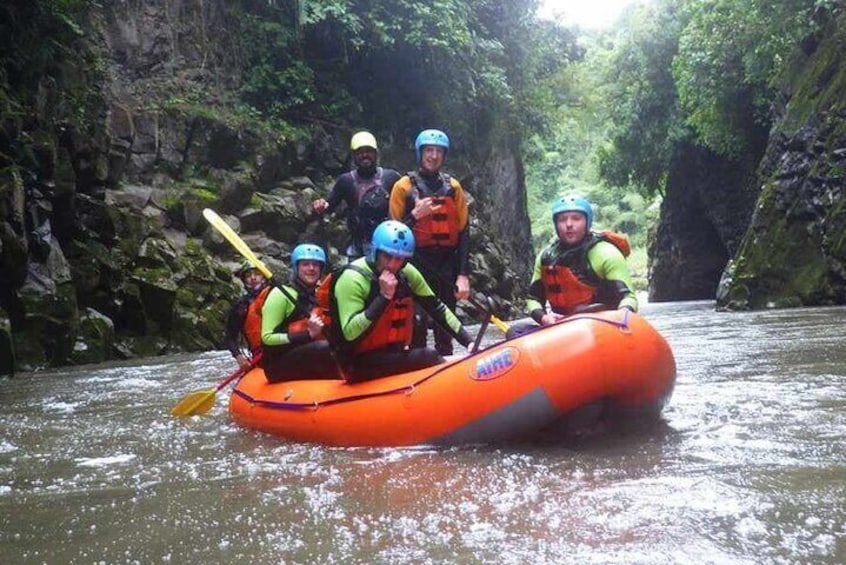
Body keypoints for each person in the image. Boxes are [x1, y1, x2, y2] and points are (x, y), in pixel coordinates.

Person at [328, 220, 472, 383]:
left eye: (399, 259)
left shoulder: (407, 272)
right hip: (355, 363)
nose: (393, 264)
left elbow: (436, 308)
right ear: (375, 252)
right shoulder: (352, 279)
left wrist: (468, 341)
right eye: (387, 256)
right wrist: (383, 297)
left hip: (392, 355)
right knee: (428, 356)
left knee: (422, 333)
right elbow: (350, 333)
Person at [507, 195, 638, 339]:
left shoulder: (606, 253)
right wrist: (544, 318)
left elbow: (628, 298)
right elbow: (533, 299)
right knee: (516, 331)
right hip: (563, 327)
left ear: (587, 222)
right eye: (562, 219)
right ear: (556, 224)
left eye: (576, 218)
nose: (569, 224)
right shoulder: (546, 257)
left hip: (603, 326)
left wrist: (621, 317)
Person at [389, 129, 470, 356]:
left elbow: (464, 232)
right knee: (416, 322)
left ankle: (447, 371)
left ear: (444, 156)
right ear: (420, 153)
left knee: (446, 322)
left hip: (446, 264)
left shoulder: (453, 187)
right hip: (414, 263)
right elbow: (392, 233)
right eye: (428, 150)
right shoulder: (403, 187)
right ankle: (418, 367)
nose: (433, 156)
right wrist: (414, 215)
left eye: (438, 151)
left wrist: (463, 274)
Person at [313, 131, 402, 260]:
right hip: (358, 244)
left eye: (369, 151)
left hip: (387, 243)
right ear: (354, 156)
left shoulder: (391, 177)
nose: (365, 155)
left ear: (376, 153)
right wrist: (320, 205)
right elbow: (330, 205)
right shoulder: (346, 181)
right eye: (360, 152)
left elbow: (404, 204)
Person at [260, 244, 342, 383]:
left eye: (316, 265)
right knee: (324, 348)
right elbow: (267, 338)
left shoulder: (320, 295)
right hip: (277, 363)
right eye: (305, 264)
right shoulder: (280, 294)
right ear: (296, 267)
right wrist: (308, 334)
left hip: (308, 355)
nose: (311, 268)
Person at [223, 260, 270, 370]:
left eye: (257, 274)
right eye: (248, 275)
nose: (253, 278)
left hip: (285, 351)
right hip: (259, 357)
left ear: (265, 277)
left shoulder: (279, 296)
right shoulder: (241, 306)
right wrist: (239, 357)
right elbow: (230, 337)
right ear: (244, 280)